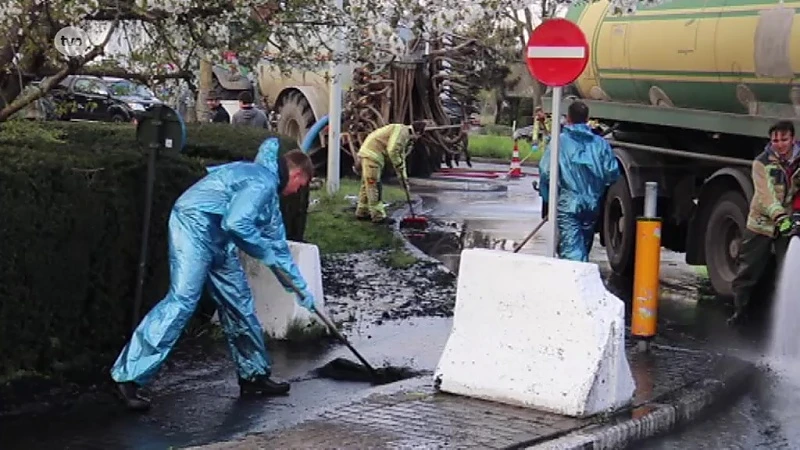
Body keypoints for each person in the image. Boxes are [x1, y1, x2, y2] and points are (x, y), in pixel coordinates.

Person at [110, 137, 315, 412]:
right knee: (183, 300)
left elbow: (278, 250)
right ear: (297, 173)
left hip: (220, 237)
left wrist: (301, 291)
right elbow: (237, 222)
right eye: (299, 186)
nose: (295, 192)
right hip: (193, 225)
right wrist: (261, 250)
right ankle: (129, 376)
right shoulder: (260, 181)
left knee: (239, 304)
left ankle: (254, 375)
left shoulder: (270, 201)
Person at [728, 120, 800, 327]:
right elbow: (765, 196)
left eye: (784, 139)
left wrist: (796, 215)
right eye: (775, 140)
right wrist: (780, 217)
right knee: (748, 270)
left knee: (788, 270)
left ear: (792, 139)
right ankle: (740, 313)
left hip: (788, 222)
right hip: (761, 223)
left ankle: (786, 318)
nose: (779, 144)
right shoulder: (761, 163)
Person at [539, 101, 620, 261]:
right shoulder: (600, 144)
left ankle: (573, 282)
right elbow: (612, 172)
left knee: (573, 252)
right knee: (583, 244)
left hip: (568, 203)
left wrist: (549, 198)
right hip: (592, 203)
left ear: (568, 118)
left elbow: (546, 171)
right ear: (587, 119)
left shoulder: (559, 142)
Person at [354, 121, 427, 224]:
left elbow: (401, 158)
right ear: (418, 132)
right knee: (374, 185)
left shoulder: (404, 134)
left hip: (369, 154)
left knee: (367, 185)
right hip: (372, 155)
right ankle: (378, 216)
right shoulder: (402, 133)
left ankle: (362, 211)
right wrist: (398, 165)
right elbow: (392, 150)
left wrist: (404, 180)